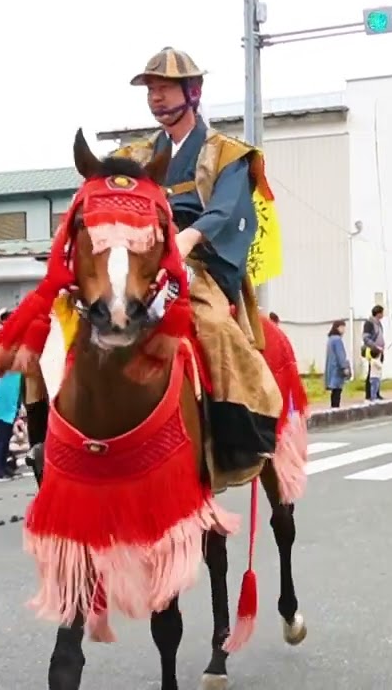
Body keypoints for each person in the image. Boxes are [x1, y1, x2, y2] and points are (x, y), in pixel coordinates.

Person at [111, 46, 283, 471]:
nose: (155, 97)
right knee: (75, 315)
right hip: (138, 256)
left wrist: (185, 240)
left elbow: (224, 211)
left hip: (197, 260)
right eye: (151, 89)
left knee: (212, 325)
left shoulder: (228, 153)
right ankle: (48, 429)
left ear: (193, 91)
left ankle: (240, 430)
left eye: (165, 88)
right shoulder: (134, 156)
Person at [324, 320, 351, 408]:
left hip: (331, 367)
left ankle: (333, 407)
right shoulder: (337, 340)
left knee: (334, 390)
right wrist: (345, 367)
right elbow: (340, 355)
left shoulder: (330, 339)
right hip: (337, 369)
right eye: (342, 327)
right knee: (337, 389)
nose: (344, 330)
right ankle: (336, 407)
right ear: (337, 328)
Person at [362, 304, 385, 401]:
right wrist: (375, 346)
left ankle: (376, 393)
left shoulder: (379, 323)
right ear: (378, 313)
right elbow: (365, 338)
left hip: (380, 351)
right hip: (372, 351)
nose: (383, 314)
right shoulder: (369, 323)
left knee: (377, 373)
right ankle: (369, 394)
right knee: (372, 373)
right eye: (382, 312)